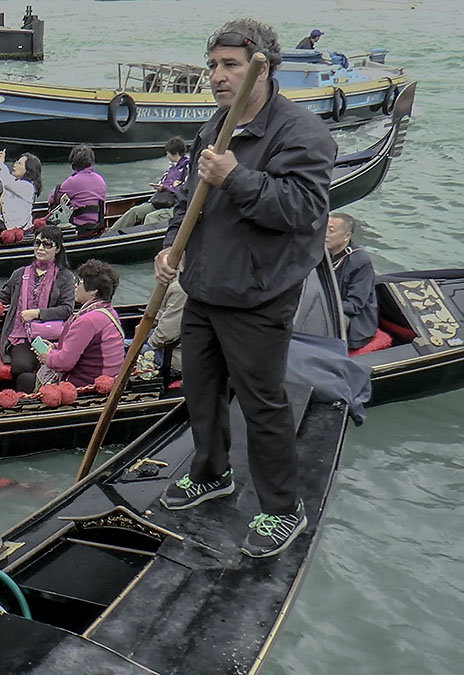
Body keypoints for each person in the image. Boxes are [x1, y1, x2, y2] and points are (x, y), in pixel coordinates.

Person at [153, 19, 337, 558]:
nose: (217, 76)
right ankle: (211, 473)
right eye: (213, 65)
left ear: (264, 66)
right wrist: (171, 247)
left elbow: (303, 212)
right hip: (205, 284)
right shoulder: (213, 127)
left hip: (258, 294)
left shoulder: (302, 132)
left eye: (230, 65)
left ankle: (284, 508)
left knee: (262, 404)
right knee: (200, 392)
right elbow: (188, 201)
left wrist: (236, 175)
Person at [0, 225, 76, 393]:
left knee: (29, 369)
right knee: (21, 367)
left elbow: (67, 309)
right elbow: (0, 298)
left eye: (47, 244)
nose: (40, 248)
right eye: (37, 243)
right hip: (22, 335)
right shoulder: (20, 274)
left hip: (50, 335)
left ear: (58, 248)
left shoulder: (66, 277)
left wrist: (38, 313)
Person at [36, 260, 124, 387]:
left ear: (94, 290)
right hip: (107, 376)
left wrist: (47, 357)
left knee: (29, 379)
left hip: (87, 383)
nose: (75, 286)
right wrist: (55, 347)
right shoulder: (109, 312)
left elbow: (65, 362)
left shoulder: (87, 320)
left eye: (79, 282)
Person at [112, 136, 190, 231]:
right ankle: (111, 232)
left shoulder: (188, 169)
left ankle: (140, 239)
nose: (166, 156)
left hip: (175, 205)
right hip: (161, 201)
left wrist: (166, 188)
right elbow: (165, 183)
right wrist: (162, 187)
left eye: (167, 153)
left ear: (175, 153)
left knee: (151, 217)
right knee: (135, 211)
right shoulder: (171, 169)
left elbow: (185, 189)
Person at [326, 212, 378, 349]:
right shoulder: (321, 253)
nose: (325, 234)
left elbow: (355, 305)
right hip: (325, 306)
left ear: (346, 236)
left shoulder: (360, 261)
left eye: (331, 230)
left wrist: (323, 307)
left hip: (354, 321)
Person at [47, 144, 107, 238]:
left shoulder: (72, 182)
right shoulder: (100, 180)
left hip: (78, 229)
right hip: (96, 228)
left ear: (73, 162)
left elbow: (52, 199)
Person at [0, 149, 41, 232]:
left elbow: (7, 184)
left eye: (19, 164)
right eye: (16, 162)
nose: (15, 165)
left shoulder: (28, 187)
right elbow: (1, 188)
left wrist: (1, 163)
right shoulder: (15, 181)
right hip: (8, 222)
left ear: (28, 170)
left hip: (17, 227)